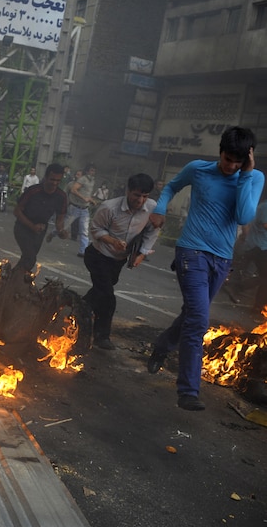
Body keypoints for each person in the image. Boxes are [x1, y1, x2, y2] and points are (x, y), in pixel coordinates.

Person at [147, 126, 263, 411]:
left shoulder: (254, 177)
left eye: (237, 162)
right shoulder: (197, 169)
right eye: (227, 159)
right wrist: (160, 209)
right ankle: (188, 390)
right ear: (220, 152)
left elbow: (243, 216)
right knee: (199, 319)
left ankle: (162, 346)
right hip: (192, 251)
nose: (231, 166)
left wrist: (246, 174)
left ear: (247, 159)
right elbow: (172, 186)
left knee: (191, 313)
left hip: (222, 259)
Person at [82, 174, 160, 350]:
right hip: (98, 255)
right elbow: (95, 228)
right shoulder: (109, 207)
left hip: (118, 261)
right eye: (136, 195)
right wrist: (112, 241)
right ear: (128, 191)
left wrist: (141, 253)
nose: (140, 200)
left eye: (145, 196)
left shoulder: (152, 208)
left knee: (100, 291)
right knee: (108, 297)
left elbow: (152, 231)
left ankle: (79, 309)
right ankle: (101, 336)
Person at [12, 163, 68, 273]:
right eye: (52, 179)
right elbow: (17, 211)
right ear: (46, 177)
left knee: (27, 260)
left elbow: (60, 219)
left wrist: (61, 231)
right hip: (23, 227)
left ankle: (8, 279)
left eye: (58, 181)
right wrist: (32, 226)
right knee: (30, 258)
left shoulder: (61, 196)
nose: (54, 183)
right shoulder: (33, 191)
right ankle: (12, 280)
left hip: (40, 230)